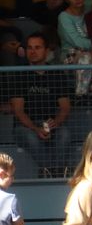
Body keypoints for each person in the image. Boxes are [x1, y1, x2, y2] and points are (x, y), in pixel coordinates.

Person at [11, 33, 72, 178]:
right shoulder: (19, 74)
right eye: (29, 48)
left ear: (46, 51)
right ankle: (49, 171)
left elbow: (65, 107)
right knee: (31, 137)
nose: (33, 51)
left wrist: (55, 123)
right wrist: (35, 129)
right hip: (25, 127)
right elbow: (18, 111)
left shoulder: (56, 74)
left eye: (37, 47)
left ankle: (58, 172)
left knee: (64, 134)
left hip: (49, 124)